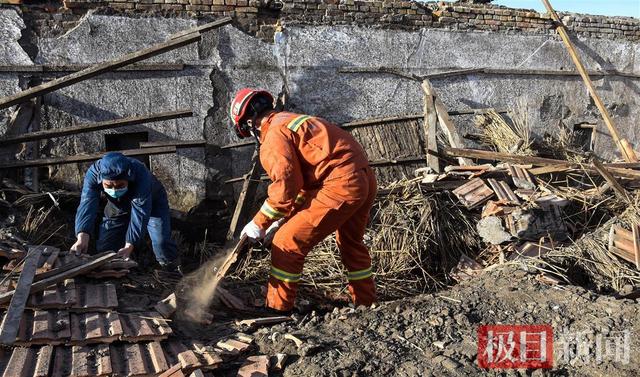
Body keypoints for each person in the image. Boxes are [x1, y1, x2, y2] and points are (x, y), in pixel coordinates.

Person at [229, 88, 378, 312]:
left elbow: (285, 187)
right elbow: (303, 185)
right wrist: (282, 218)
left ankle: (277, 310)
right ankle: (366, 302)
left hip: (341, 184)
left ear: (249, 123)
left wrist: (259, 223)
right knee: (350, 243)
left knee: (286, 242)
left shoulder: (273, 136)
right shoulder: (291, 120)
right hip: (362, 177)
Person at [70, 152, 180, 273]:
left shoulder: (140, 174)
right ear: (101, 179)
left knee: (161, 242)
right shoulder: (93, 173)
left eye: (120, 185)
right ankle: (118, 273)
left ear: (128, 178)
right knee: (105, 248)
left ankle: (171, 269)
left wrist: (130, 244)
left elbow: (140, 212)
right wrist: (82, 235)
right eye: (108, 185)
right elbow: (87, 203)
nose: (114, 189)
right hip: (117, 205)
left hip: (152, 203)